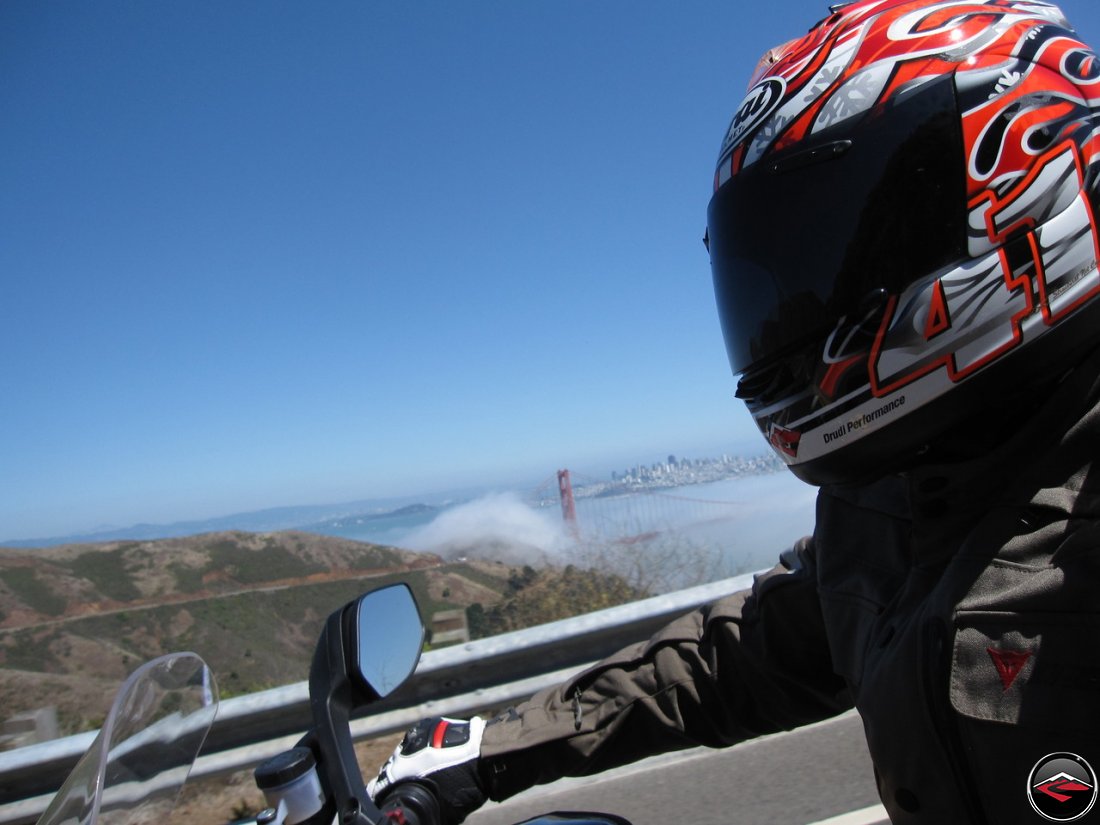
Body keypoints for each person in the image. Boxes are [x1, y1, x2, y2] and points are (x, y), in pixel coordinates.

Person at [369, 1, 1100, 822]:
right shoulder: (888, 502)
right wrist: (487, 750)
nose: (795, 320)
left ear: (1024, 189)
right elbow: (740, 656)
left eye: (847, 251)